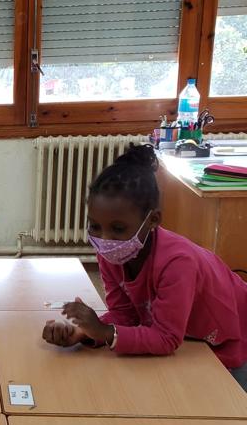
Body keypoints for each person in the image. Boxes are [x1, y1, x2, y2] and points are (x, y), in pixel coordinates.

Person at [42, 144, 247, 388]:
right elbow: (125, 315)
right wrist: (83, 333)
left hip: (234, 334)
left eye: (118, 228)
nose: (105, 240)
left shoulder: (178, 263)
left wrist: (104, 332)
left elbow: (166, 338)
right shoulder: (113, 253)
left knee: (226, 401)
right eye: (95, 226)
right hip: (190, 336)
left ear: (153, 220)